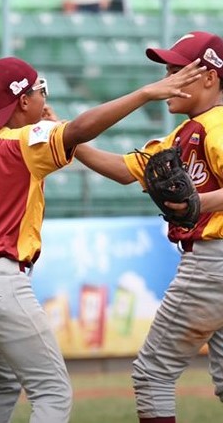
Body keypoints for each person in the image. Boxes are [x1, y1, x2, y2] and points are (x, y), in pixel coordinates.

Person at [0, 56, 201, 423]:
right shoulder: (25, 140)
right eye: (36, 91)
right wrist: (144, 93)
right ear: (22, 102)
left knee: (2, 381)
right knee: (52, 393)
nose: (43, 98)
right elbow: (78, 130)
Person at [71, 32, 223, 423]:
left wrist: (198, 204)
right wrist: (68, 139)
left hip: (213, 263)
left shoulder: (217, 125)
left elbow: (196, 205)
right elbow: (126, 170)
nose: (166, 78)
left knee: (152, 374)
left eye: (177, 69)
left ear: (209, 77)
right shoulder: (186, 131)